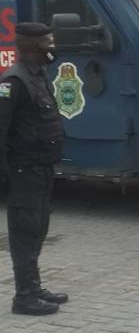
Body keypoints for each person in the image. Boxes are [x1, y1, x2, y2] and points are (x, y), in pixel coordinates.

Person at [0, 22, 67, 315]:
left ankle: (34, 287)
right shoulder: (13, 81)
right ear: (32, 46)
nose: (52, 47)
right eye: (48, 42)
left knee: (38, 229)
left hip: (42, 168)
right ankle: (24, 297)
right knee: (25, 232)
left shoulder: (38, 75)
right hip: (23, 170)